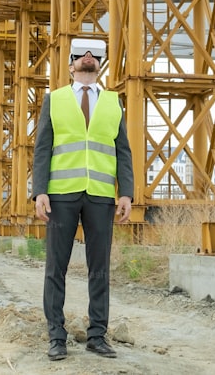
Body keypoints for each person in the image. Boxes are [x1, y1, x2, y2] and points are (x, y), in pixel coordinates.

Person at [32, 38, 133, 361]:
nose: (88, 59)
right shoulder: (55, 99)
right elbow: (43, 147)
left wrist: (126, 192)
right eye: (81, 55)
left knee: (99, 268)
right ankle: (56, 336)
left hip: (101, 196)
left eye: (94, 55)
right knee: (56, 268)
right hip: (61, 195)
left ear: (99, 63)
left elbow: (123, 150)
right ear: (71, 63)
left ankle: (97, 336)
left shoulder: (114, 101)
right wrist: (40, 191)